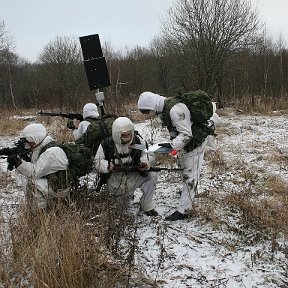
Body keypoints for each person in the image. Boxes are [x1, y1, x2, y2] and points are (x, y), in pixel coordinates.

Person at [138, 91, 222, 221]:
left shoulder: (174, 110)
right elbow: (175, 131)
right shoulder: (164, 110)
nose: (146, 115)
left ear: (152, 106)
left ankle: (184, 211)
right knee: (183, 167)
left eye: (146, 111)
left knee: (190, 174)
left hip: (195, 141)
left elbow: (186, 134)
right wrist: (171, 146)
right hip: (184, 143)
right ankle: (187, 193)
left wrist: (171, 146)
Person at [95, 116, 158, 216]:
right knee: (121, 210)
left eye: (129, 134)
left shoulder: (136, 141)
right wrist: (106, 166)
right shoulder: (107, 144)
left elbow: (148, 154)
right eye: (124, 135)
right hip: (116, 181)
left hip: (134, 176)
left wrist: (145, 163)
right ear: (117, 133)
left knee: (152, 176)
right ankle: (125, 198)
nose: (127, 137)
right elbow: (98, 161)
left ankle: (147, 205)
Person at [7, 123, 71, 210]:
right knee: (27, 180)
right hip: (53, 183)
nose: (28, 144)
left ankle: (41, 211)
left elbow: (34, 172)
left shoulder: (52, 152)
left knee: (31, 183)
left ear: (35, 137)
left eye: (30, 141)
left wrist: (17, 162)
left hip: (59, 189)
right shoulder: (43, 145)